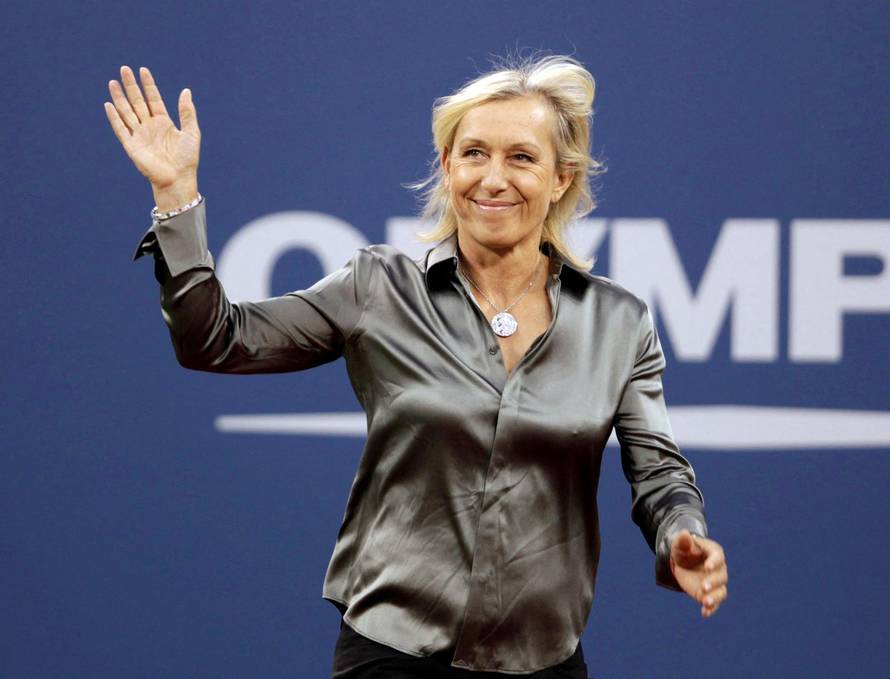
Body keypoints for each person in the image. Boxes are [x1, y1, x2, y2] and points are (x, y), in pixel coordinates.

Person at [104, 55, 729, 678]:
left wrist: (680, 535)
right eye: (474, 153)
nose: (493, 178)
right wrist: (176, 198)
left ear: (561, 179)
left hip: (543, 660)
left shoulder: (617, 321)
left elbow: (659, 475)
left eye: (521, 158)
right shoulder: (378, 287)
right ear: (447, 166)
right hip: (391, 654)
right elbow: (216, 340)